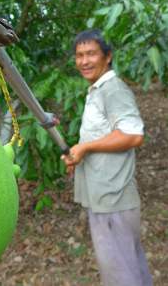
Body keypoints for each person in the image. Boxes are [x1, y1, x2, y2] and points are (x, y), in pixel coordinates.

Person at [61, 29, 153, 286]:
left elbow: (133, 134)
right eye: (79, 55)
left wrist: (86, 148)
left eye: (91, 54)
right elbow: (104, 136)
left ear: (108, 57)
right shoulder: (97, 90)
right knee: (130, 266)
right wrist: (80, 153)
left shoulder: (112, 90)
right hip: (106, 198)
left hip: (113, 200)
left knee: (120, 275)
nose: (84, 61)